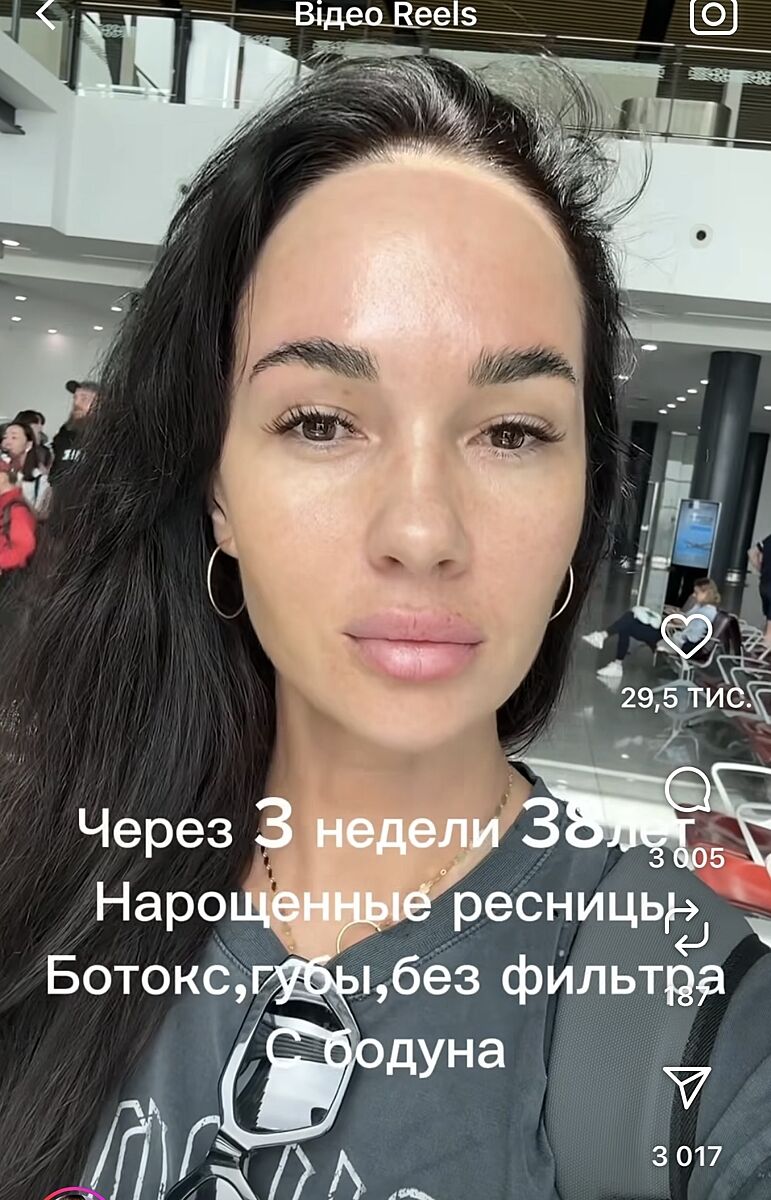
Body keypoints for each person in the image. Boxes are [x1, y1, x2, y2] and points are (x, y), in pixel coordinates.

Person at [1, 56, 770, 1200]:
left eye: (512, 433)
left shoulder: (692, 1012)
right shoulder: (52, 872)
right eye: (320, 421)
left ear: (584, 502)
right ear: (217, 489)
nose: (422, 531)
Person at [583, 577, 721, 679]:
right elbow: (688, 621)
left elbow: (692, 636)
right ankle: (607, 647)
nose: (694, 596)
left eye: (697, 593)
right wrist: (676, 618)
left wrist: (674, 625)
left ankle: (607, 646)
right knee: (630, 618)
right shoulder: (701, 607)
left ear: (706, 593)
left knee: (628, 623)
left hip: (677, 643)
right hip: (672, 635)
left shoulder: (708, 612)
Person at [0, 452, 37, 634]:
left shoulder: (16, 508)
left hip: (11, 584)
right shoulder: (6, 505)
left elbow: (24, 549)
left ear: (2, 477)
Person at [49, 380, 99, 483]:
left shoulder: (111, 436)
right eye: (75, 398)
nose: (76, 404)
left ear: (100, 403)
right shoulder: (64, 434)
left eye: (84, 399)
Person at [0, 420, 51, 516]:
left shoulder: (40, 479)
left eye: (14, 437)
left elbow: (41, 516)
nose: (7, 442)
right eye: (5, 437)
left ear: (28, 445)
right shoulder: (3, 473)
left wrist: (19, 495)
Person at [748, 537, 771, 647]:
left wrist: (761, 570)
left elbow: (752, 552)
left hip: (765, 584)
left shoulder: (769, 539)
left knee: (768, 621)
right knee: (769, 635)